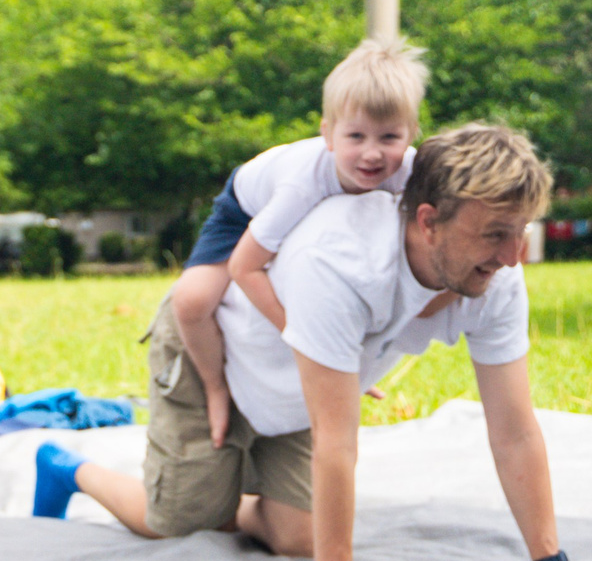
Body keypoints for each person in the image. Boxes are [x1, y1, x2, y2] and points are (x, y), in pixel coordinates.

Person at [38, 123, 592, 561]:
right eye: (494, 235)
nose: (512, 257)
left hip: (299, 386)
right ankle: (69, 468)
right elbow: (336, 440)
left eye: (520, 233)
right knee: (179, 524)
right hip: (215, 352)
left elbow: (514, 429)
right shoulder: (341, 261)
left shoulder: (494, 279)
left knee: (300, 538)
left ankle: (228, 493)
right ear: (427, 221)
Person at [147, 39, 427, 452]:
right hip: (244, 212)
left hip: (323, 229)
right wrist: (300, 336)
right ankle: (215, 389)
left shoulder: (411, 172)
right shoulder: (303, 183)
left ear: (411, 134)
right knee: (190, 301)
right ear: (328, 135)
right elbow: (245, 267)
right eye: (355, 136)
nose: (371, 154)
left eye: (389, 137)